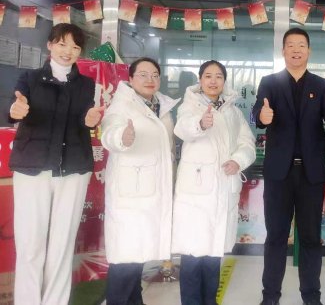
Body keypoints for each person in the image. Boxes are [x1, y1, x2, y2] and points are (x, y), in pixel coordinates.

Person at [8, 23, 103, 305]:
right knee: (30, 243)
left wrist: (90, 121)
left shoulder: (87, 85)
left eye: (75, 47)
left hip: (72, 170)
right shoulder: (29, 78)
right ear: (50, 45)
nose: (68, 51)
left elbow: (86, 120)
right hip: (33, 168)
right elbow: (13, 109)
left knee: (62, 243)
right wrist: (15, 111)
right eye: (62, 44)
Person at [252, 28, 325, 305]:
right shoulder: (269, 82)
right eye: (290, 45)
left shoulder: (321, 85)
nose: (296, 49)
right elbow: (258, 114)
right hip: (279, 174)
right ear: (283, 51)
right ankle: (270, 296)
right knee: (276, 237)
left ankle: (311, 296)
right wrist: (262, 116)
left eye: (301, 45)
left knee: (311, 237)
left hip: (310, 173)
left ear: (309, 51)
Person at [172, 60, 256, 305]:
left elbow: (247, 143)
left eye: (218, 76)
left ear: (224, 81)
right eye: (208, 75)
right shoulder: (189, 106)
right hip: (196, 193)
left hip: (223, 189)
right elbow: (182, 129)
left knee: (213, 255)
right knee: (192, 254)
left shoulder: (233, 111)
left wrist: (238, 161)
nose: (213, 81)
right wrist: (200, 124)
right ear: (200, 80)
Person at [100, 57, 179, 305]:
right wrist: (121, 137)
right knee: (125, 261)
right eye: (143, 74)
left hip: (152, 193)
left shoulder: (162, 107)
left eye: (154, 75)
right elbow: (109, 131)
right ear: (131, 78)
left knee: (137, 259)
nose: (150, 79)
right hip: (130, 196)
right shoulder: (122, 104)